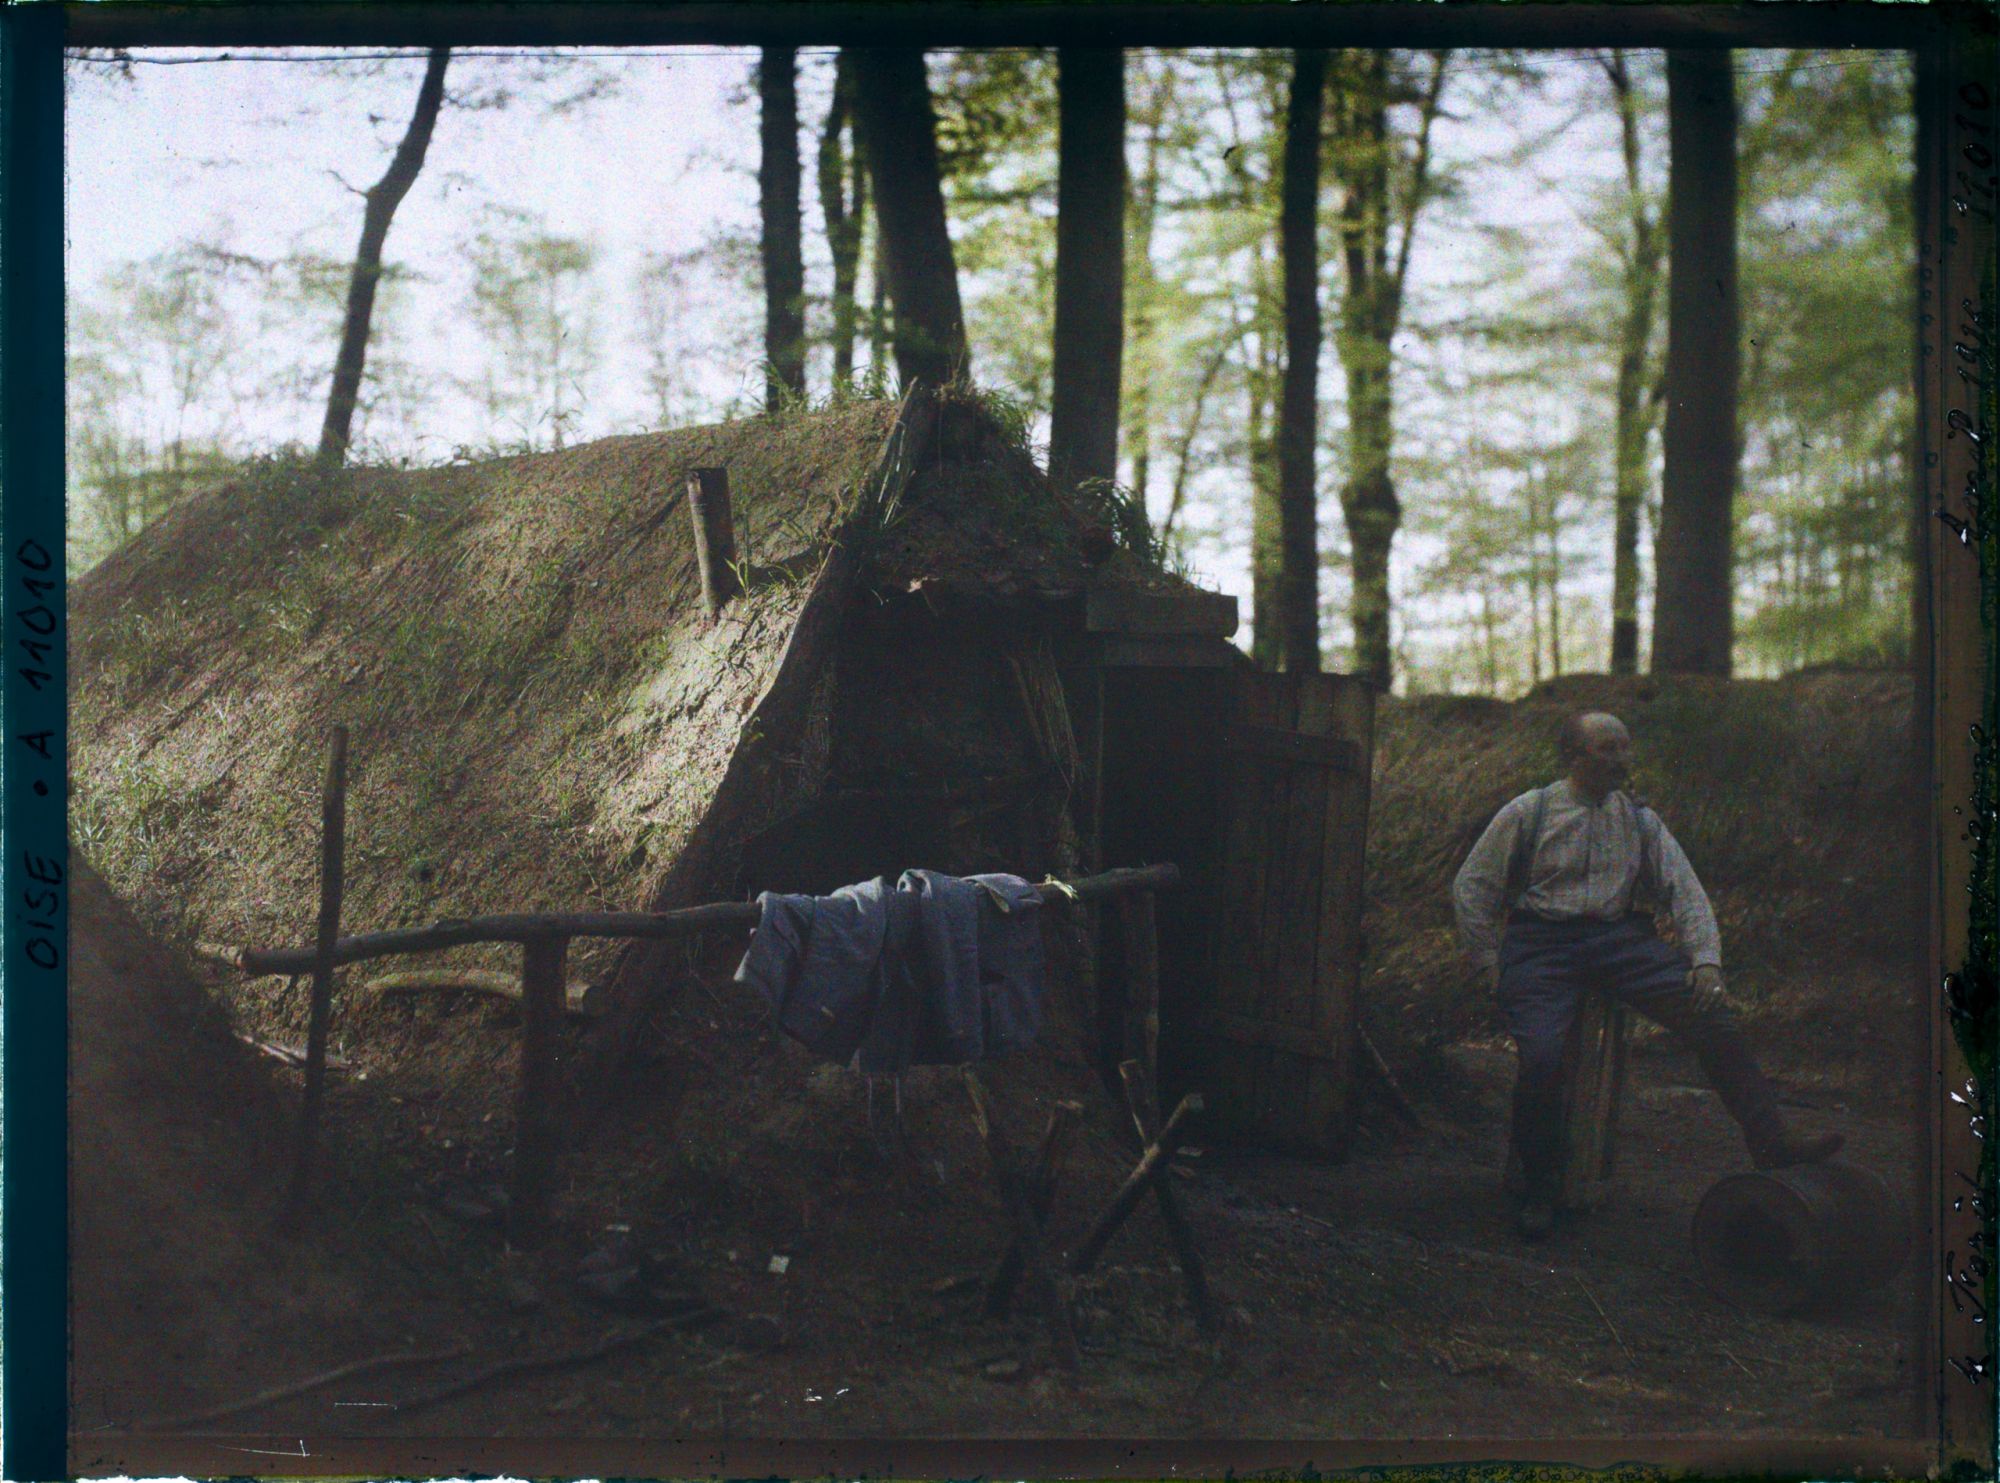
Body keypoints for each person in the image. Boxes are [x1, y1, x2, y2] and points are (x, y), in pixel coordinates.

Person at [1452, 710, 1843, 1240]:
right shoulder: (1531, 810)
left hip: (1620, 943)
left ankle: (1772, 1141)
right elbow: (1473, 887)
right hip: (1542, 945)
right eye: (1607, 750)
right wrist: (1487, 961)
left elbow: (1686, 891)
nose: (1622, 760)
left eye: (1625, 748)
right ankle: (1540, 1188)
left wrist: (1706, 962)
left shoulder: (1639, 820)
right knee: (1541, 1059)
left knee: (1713, 1017)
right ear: (1573, 758)